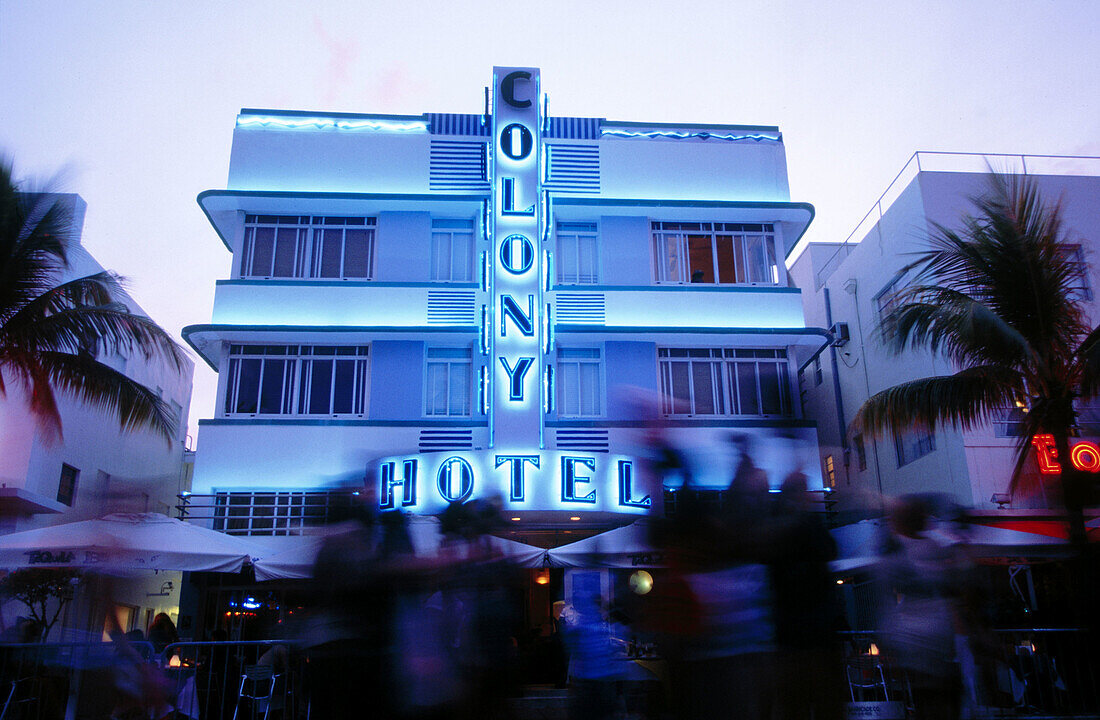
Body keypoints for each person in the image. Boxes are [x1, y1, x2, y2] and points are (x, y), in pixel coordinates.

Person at [876, 495, 963, 720]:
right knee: (945, 701)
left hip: (912, 638)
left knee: (926, 700)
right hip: (942, 635)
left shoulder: (894, 553)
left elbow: (885, 599)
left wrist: (886, 638)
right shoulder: (936, 548)